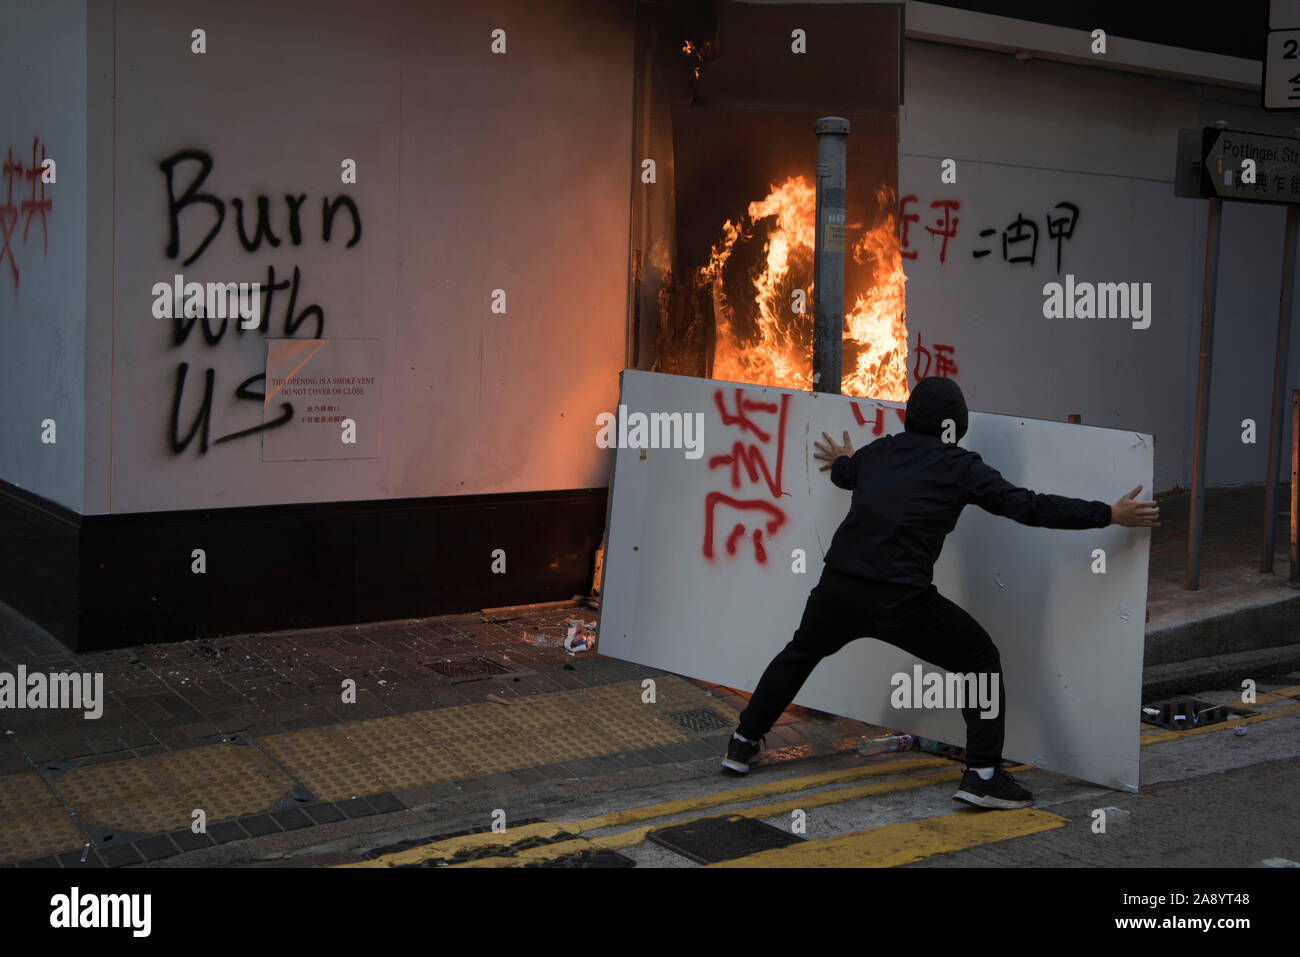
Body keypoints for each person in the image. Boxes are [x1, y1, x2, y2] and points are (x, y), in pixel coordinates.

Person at [721, 377, 1159, 809]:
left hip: (838, 587)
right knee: (979, 659)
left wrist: (841, 459)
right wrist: (1110, 515)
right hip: (901, 600)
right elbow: (1028, 505)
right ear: (955, 425)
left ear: (910, 417)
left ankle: (742, 743)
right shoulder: (961, 467)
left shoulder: (878, 452)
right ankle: (983, 775)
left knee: (799, 653)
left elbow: (845, 474)